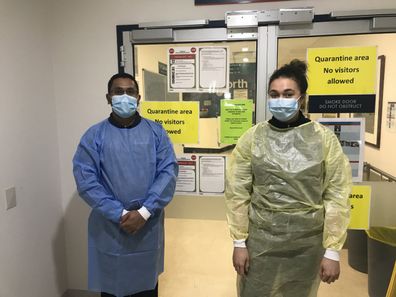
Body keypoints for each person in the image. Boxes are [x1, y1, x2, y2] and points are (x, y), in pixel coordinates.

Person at [225, 59, 352, 297]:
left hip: (307, 244)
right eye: (274, 94)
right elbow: (237, 193)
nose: (280, 99)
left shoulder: (323, 139)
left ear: (301, 97)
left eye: (287, 93)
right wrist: (239, 243)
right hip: (260, 242)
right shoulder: (252, 138)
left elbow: (336, 195)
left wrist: (333, 251)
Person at [73, 73, 178, 297]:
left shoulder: (155, 133)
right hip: (111, 228)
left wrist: (145, 211)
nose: (124, 96)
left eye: (130, 91)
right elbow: (86, 180)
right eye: (118, 91)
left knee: (146, 288)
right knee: (112, 288)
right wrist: (119, 213)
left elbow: (168, 173)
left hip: (147, 226)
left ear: (138, 97)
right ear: (108, 97)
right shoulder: (94, 136)